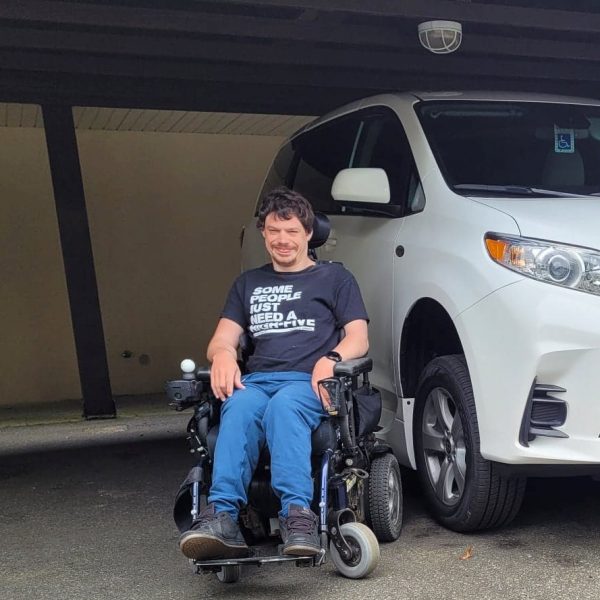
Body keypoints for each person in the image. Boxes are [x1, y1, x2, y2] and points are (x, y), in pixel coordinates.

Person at [179, 186, 369, 561]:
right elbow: (222, 339)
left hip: (307, 383)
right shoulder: (247, 283)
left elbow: (359, 337)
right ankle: (222, 518)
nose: (283, 240)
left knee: (284, 407)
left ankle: (298, 517)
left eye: (292, 231)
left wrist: (329, 358)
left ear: (308, 234)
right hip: (257, 381)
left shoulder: (335, 280)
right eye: (274, 230)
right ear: (263, 233)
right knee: (237, 406)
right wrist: (222, 357)